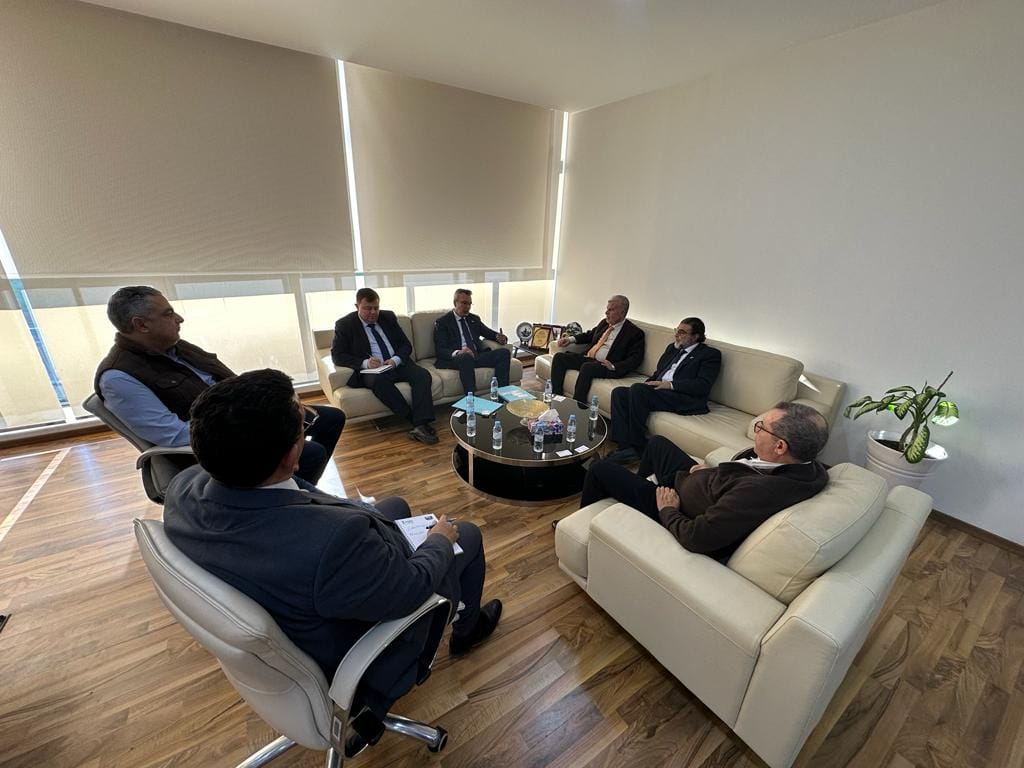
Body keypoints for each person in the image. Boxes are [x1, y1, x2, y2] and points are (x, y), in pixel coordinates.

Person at [163, 369, 503, 727]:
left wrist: (362, 517)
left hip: (289, 590)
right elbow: (410, 589)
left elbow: (308, 503)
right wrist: (439, 540)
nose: (308, 427)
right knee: (466, 534)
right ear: (290, 456)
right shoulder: (336, 541)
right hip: (357, 644)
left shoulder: (183, 487)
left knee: (396, 506)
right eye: (303, 425)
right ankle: (467, 631)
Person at [94, 286, 344, 485]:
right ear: (141, 325)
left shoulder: (177, 347)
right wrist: (259, 423)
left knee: (331, 418)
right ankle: (283, 500)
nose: (179, 318)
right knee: (312, 454)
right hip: (221, 446)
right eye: (168, 314)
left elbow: (230, 381)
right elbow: (173, 435)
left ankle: (295, 486)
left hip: (241, 416)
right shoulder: (118, 377)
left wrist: (275, 402)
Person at [580, 402, 829, 560]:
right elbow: (741, 478)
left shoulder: (761, 492)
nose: (756, 430)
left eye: (761, 428)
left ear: (780, 446)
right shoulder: (807, 466)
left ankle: (581, 529)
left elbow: (697, 537)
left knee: (600, 469)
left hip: (677, 506)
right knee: (656, 443)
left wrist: (667, 510)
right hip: (700, 482)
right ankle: (633, 496)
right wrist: (712, 472)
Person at [606, 317, 722, 463]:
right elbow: (659, 373)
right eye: (676, 330)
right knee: (619, 393)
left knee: (638, 390)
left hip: (683, 396)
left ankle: (638, 447)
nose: (677, 335)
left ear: (695, 336)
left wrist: (670, 385)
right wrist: (647, 384)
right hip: (661, 391)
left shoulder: (710, 354)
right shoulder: (672, 348)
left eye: (682, 332)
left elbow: (703, 384)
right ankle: (624, 446)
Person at [331, 288, 438, 445]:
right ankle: (415, 421)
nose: (373, 312)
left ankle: (420, 424)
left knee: (422, 375)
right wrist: (365, 363)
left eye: (376, 308)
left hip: (396, 363)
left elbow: (405, 345)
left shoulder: (388, 317)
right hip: (371, 370)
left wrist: (396, 359)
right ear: (357, 306)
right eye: (368, 308)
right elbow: (337, 355)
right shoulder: (345, 324)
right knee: (379, 382)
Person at [549, 295, 645, 403]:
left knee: (587, 367)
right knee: (559, 357)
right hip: (589, 359)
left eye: (611, 310)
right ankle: (556, 398)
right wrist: (570, 339)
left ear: (622, 312)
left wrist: (614, 366)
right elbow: (589, 335)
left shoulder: (634, 333)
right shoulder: (604, 323)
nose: (606, 312)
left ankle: (578, 405)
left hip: (608, 366)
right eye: (607, 309)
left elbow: (635, 359)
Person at [432, 288, 511, 395]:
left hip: (476, 356)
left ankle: (501, 395)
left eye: (469, 304)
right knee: (465, 357)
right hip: (457, 359)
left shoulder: (474, 319)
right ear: (455, 303)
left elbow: (488, 332)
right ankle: (472, 399)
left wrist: (498, 337)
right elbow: (440, 349)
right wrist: (459, 352)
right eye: (464, 303)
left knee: (504, 353)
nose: (467, 307)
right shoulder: (443, 322)